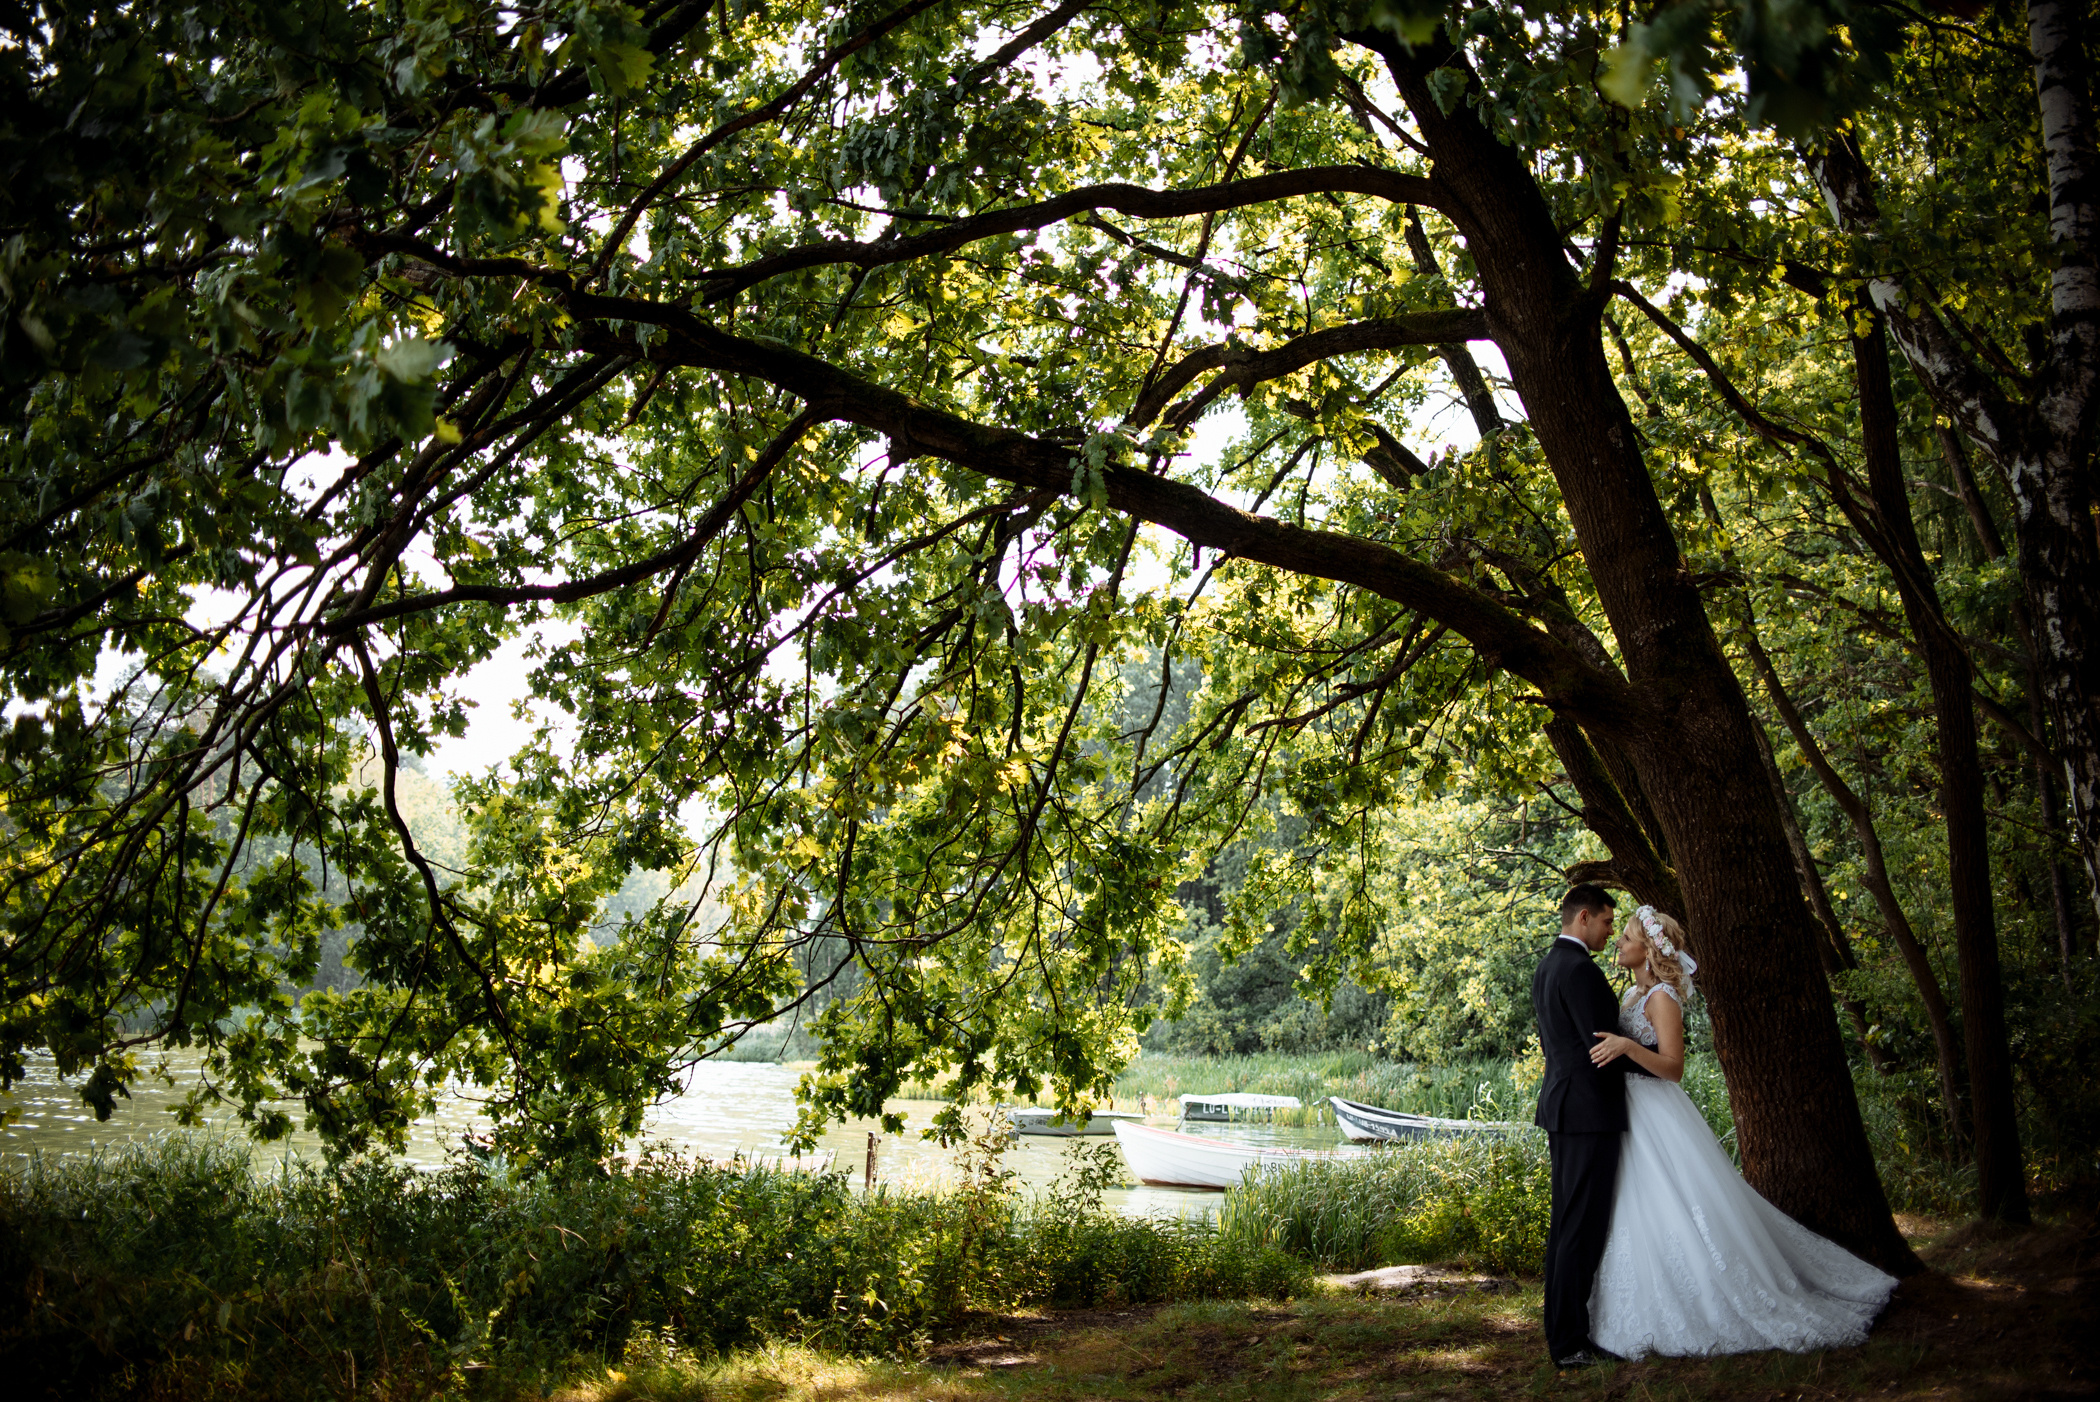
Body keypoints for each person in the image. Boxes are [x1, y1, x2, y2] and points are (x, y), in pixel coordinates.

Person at [1585, 904, 1898, 1358]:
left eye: (1627, 937)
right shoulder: (1633, 996)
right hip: (1629, 1110)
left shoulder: (1662, 999)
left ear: (1648, 949)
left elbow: (1673, 1069)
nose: (1618, 942)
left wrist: (1628, 1047)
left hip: (1655, 1109)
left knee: (1676, 1202)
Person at [1531, 882, 1634, 1367]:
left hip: (1565, 1107)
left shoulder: (1548, 967)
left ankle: (1563, 1334)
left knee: (1567, 1224)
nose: (1610, 932)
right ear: (1584, 918)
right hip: (1588, 1111)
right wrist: (1652, 1060)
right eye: (1608, 922)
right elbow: (1603, 1052)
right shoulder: (1580, 971)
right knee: (1580, 1227)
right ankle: (1570, 1343)